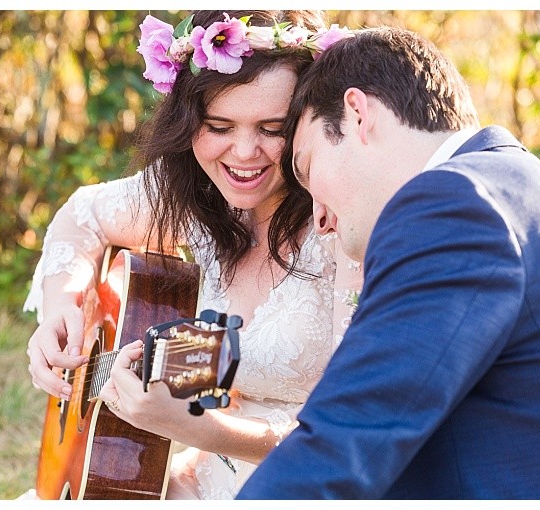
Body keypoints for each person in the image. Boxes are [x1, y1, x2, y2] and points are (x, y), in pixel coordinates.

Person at [234, 27, 540, 499]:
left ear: (356, 113)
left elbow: (347, 439)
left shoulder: (452, 203)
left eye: (308, 169)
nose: (320, 218)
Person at [22, 10, 364, 499]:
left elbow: (352, 436)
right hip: (190, 483)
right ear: (188, 123)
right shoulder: (193, 197)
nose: (245, 153)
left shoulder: (345, 231)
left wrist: (196, 428)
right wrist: (63, 309)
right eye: (219, 126)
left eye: (272, 128)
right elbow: (83, 217)